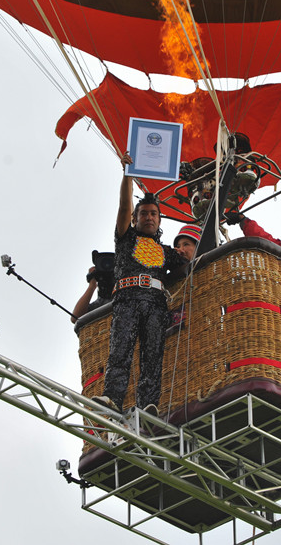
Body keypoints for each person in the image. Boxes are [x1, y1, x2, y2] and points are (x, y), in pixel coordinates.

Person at [94, 153, 188, 414]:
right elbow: (124, 206)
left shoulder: (167, 251)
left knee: (153, 353)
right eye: (143, 214)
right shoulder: (125, 239)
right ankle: (112, 397)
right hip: (127, 299)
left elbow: (186, 266)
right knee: (120, 349)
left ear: (159, 220)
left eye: (154, 214)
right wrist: (127, 174)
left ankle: (148, 404)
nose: (149, 217)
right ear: (135, 219)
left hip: (156, 304)